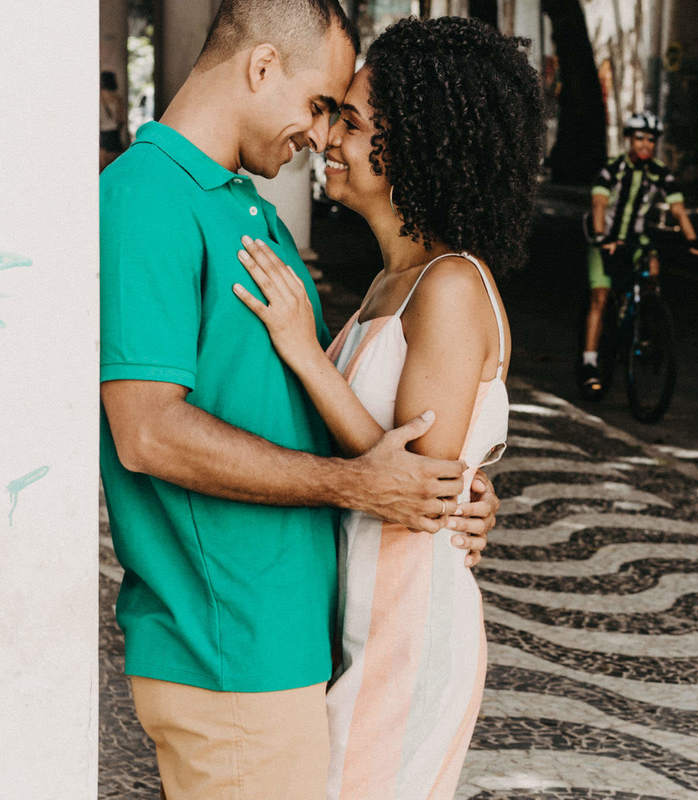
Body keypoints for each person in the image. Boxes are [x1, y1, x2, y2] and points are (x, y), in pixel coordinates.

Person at [99, 3, 499, 798]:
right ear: (260, 69)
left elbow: (378, 437)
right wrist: (359, 484)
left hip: (301, 642)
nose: (322, 137)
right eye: (322, 107)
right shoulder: (146, 197)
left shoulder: (253, 213)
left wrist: (459, 486)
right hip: (231, 648)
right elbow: (147, 432)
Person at [232, 17, 541, 799]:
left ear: (415, 145)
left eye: (353, 121)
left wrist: (305, 350)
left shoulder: (452, 286)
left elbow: (419, 485)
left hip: (409, 632)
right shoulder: (390, 284)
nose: (328, 136)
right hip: (356, 621)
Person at [579, 110, 698, 396]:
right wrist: (601, 236)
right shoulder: (611, 170)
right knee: (599, 297)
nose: (646, 145)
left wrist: (693, 239)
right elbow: (599, 205)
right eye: (639, 139)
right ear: (628, 140)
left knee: (653, 271)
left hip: (636, 241)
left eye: (650, 140)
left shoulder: (659, 172)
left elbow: (677, 208)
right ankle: (589, 361)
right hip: (607, 239)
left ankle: (644, 320)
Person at [99, 70, 126, 171]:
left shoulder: (98, 98)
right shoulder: (117, 99)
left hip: (102, 136)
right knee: (115, 167)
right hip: (115, 135)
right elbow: (121, 120)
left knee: (102, 169)